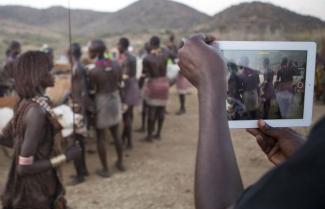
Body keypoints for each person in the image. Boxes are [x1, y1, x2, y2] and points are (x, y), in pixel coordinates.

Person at [178, 34, 325, 209]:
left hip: (249, 95)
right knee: (261, 110)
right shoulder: (256, 73)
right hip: (257, 94)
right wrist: (310, 158)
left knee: (251, 113)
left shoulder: (237, 75)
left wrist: (210, 82)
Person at [0, 51, 81, 209]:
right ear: (36, 75)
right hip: (34, 193)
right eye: (49, 70)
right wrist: (65, 156)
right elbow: (24, 167)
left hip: (35, 187)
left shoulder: (26, 103)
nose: (53, 74)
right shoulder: (36, 111)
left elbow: (14, 141)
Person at [88, 39, 125, 177]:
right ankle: (120, 163)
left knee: (100, 137)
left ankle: (105, 169)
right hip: (115, 100)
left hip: (102, 101)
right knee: (116, 134)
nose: (89, 52)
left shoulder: (94, 71)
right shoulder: (116, 65)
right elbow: (120, 82)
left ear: (96, 52)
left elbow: (92, 90)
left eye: (91, 50)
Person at [67, 43, 90, 184]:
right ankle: (84, 170)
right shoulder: (78, 67)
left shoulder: (78, 68)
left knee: (75, 141)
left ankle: (80, 175)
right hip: (78, 106)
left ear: (70, 55)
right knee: (79, 141)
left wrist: (78, 108)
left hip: (78, 108)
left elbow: (83, 91)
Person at [142, 36, 171, 141]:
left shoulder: (147, 58)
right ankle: (158, 133)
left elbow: (144, 74)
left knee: (152, 110)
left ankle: (149, 136)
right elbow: (168, 50)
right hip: (164, 83)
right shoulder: (165, 55)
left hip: (153, 84)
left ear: (151, 44)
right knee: (161, 109)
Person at [117, 37, 140, 149]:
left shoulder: (125, 58)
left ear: (122, 46)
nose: (117, 47)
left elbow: (124, 76)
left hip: (127, 88)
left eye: (118, 45)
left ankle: (129, 142)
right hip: (133, 86)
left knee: (126, 116)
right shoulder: (132, 57)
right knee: (129, 114)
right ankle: (123, 138)